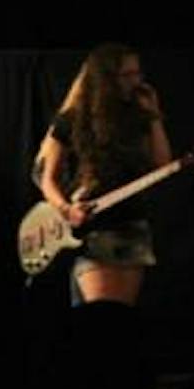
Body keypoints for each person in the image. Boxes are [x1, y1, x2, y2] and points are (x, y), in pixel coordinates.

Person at [34, 43, 172, 306]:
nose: (136, 81)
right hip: (93, 231)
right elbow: (47, 178)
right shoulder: (72, 119)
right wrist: (65, 209)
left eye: (137, 73)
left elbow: (162, 163)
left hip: (131, 227)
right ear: (106, 80)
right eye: (127, 75)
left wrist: (154, 115)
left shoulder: (137, 115)